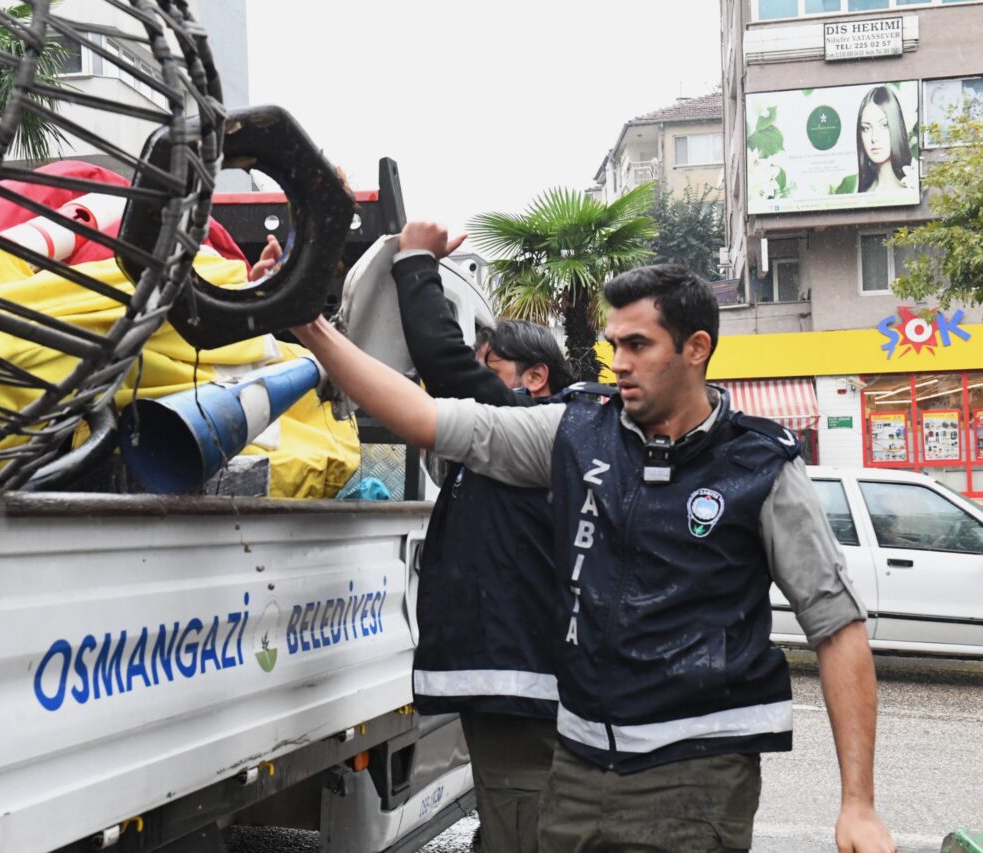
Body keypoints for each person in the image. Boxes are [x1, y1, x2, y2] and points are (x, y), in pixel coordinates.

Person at [291, 226, 895, 853]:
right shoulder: (575, 431)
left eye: (639, 344)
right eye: (614, 345)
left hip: (697, 773)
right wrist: (312, 327)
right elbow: (429, 418)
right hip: (579, 768)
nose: (620, 363)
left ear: (696, 348)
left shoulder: (761, 466)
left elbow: (837, 627)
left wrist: (858, 803)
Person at [391, 224, 573, 853]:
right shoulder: (527, 441)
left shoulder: (523, 425)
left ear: (534, 379)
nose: (476, 377)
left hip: (517, 682)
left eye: (489, 367)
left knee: (521, 817)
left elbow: (442, 364)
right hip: (507, 678)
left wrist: (415, 261)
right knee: (510, 812)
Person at [857, 85, 913, 193]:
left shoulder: (909, 188)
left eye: (884, 126)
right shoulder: (862, 193)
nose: (874, 138)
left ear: (896, 126)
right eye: (866, 128)